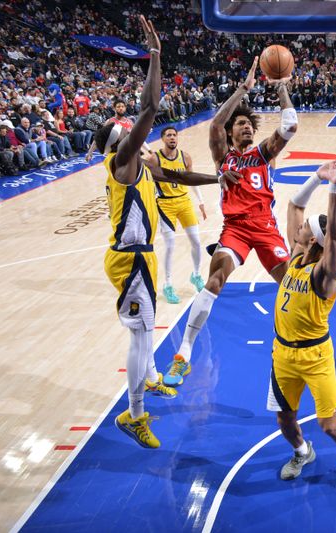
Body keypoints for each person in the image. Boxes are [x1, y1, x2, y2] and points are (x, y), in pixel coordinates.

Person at [98, 16, 239, 448]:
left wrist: (217, 180)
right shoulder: (122, 164)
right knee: (143, 336)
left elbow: (178, 179)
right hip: (130, 257)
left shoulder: (144, 165)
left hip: (141, 255)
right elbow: (149, 109)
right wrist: (155, 54)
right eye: (128, 134)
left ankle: (153, 378)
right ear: (119, 144)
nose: (138, 135)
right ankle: (135, 414)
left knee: (149, 331)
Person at [164, 58, 298, 387]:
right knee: (214, 281)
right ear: (231, 131)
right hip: (235, 229)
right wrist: (243, 90)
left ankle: (299, 343)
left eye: (249, 125)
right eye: (240, 124)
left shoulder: (262, 154)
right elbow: (213, 127)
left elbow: (290, 125)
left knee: (292, 285)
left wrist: (282, 90)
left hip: (265, 226)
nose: (246, 127)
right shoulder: (224, 157)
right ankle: (183, 354)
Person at [269, 153, 336, 498]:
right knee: (284, 419)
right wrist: (316, 176)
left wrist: (334, 186)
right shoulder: (296, 256)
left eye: (302, 229)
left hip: (315, 357)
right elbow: (295, 205)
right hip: (282, 355)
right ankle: (301, 452)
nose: (295, 229)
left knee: (329, 425)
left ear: (312, 239)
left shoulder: (323, 275)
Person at [151, 126, 207, 304]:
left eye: (174, 135)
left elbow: (192, 180)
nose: (172, 138)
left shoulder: (185, 157)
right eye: (169, 135)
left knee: (196, 242)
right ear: (163, 139)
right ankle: (167, 285)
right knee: (170, 246)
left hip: (184, 202)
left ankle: (196, 275)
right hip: (165, 204)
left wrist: (201, 202)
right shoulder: (155, 158)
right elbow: (147, 181)